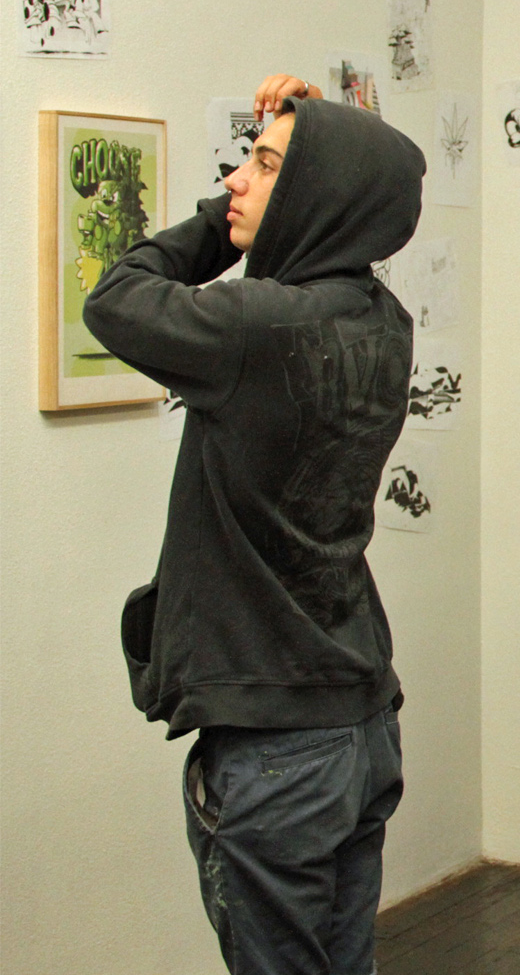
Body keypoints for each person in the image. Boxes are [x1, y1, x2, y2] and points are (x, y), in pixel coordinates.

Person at [82, 73, 423, 975]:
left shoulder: (257, 328)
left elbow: (115, 296)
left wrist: (219, 217)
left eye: (264, 166)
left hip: (279, 747)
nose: (235, 179)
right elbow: (345, 193)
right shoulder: (385, 322)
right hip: (359, 722)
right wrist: (310, 137)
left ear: (315, 195)